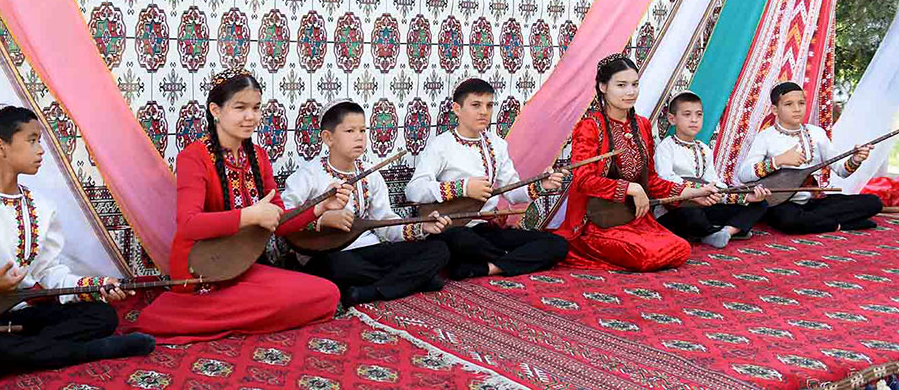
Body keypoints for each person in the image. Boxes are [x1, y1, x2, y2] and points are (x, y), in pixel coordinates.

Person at [0, 104, 154, 384]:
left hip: (26, 315)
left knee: (102, 315)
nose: (41, 150)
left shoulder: (42, 208)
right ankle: (94, 350)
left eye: (40, 141)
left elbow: (49, 274)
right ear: (0, 147)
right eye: (32, 140)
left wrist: (93, 286)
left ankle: (5, 357)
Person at [132, 71, 348, 343]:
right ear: (215, 110)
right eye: (240, 108)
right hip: (201, 268)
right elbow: (188, 224)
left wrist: (320, 207)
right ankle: (175, 312)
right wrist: (248, 216)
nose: (251, 117)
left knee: (327, 293)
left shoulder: (258, 157)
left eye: (256, 108)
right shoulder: (194, 157)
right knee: (292, 301)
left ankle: (204, 315)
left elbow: (278, 222)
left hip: (241, 264)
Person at [552, 54, 715, 271]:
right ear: (603, 87)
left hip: (634, 218)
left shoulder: (642, 125)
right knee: (644, 256)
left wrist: (691, 193)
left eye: (635, 85)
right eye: (621, 85)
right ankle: (579, 247)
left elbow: (653, 180)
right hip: (597, 221)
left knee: (681, 248)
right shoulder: (590, 126)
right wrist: (630, 188)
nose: (630, 92)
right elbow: (583, 181)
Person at [282, 100, 452, 306]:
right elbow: (284, 219)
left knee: (438, 250)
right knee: (339, 267)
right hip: (331, 255)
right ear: (328, 138)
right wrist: (322, 220)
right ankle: (411, 280)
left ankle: (370, 292)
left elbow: (386, 223)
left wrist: (421, 226)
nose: (359, 137)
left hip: (370, 250)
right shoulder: (309, 175)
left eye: (363, 130)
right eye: (350, 130)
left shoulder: (370, 174)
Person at [405, 78, 569, 280]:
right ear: (457, 109)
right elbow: (413, 190)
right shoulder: (441, 145)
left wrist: (541, 185)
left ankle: (487, 268)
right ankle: (512, 260)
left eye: (489, 105)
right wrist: (463, 188)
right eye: (476, 105)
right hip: (453, 227)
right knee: (461, 240)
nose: (484, 112)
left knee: (557, 244)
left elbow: (511, 192)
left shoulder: (497, 145)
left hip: (485, 229)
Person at [736, 81, 882, 233]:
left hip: (815, 201)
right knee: (788, 220)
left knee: (874, 202)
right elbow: (744, 175)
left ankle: (816, 222)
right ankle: (840, 224)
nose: (797, 109)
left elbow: (841, 171)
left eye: (801, 103)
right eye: (789, 104)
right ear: (774, 109)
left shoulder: (817, 133)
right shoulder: (765, 137)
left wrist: (855, 160)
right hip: (784, 204)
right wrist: (777, 161)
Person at [654, 91, 770, 248]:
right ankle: (717, 232)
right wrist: (698, 191)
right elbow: (665, 179)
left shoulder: (704, 149)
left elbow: (714, 184)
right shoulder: (666, 147)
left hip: (704, 205)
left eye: (699, 115)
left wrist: (744, 198)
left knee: (760, 204)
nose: (694, 120)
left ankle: (726, 232)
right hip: (675, 210)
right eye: (687, 114)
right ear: (672, 119)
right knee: (692, 215)